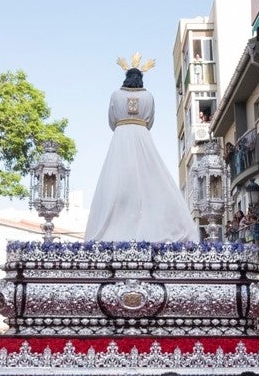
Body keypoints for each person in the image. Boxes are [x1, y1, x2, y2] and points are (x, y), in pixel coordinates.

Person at [84, 55, 200, 243]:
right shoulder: (148, 96)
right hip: (142, 135)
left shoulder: (115, 95)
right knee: (151, 181)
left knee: (116, 181)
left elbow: (111, 119)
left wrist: (123, 127)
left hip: (120, 137)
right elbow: (150, 121)